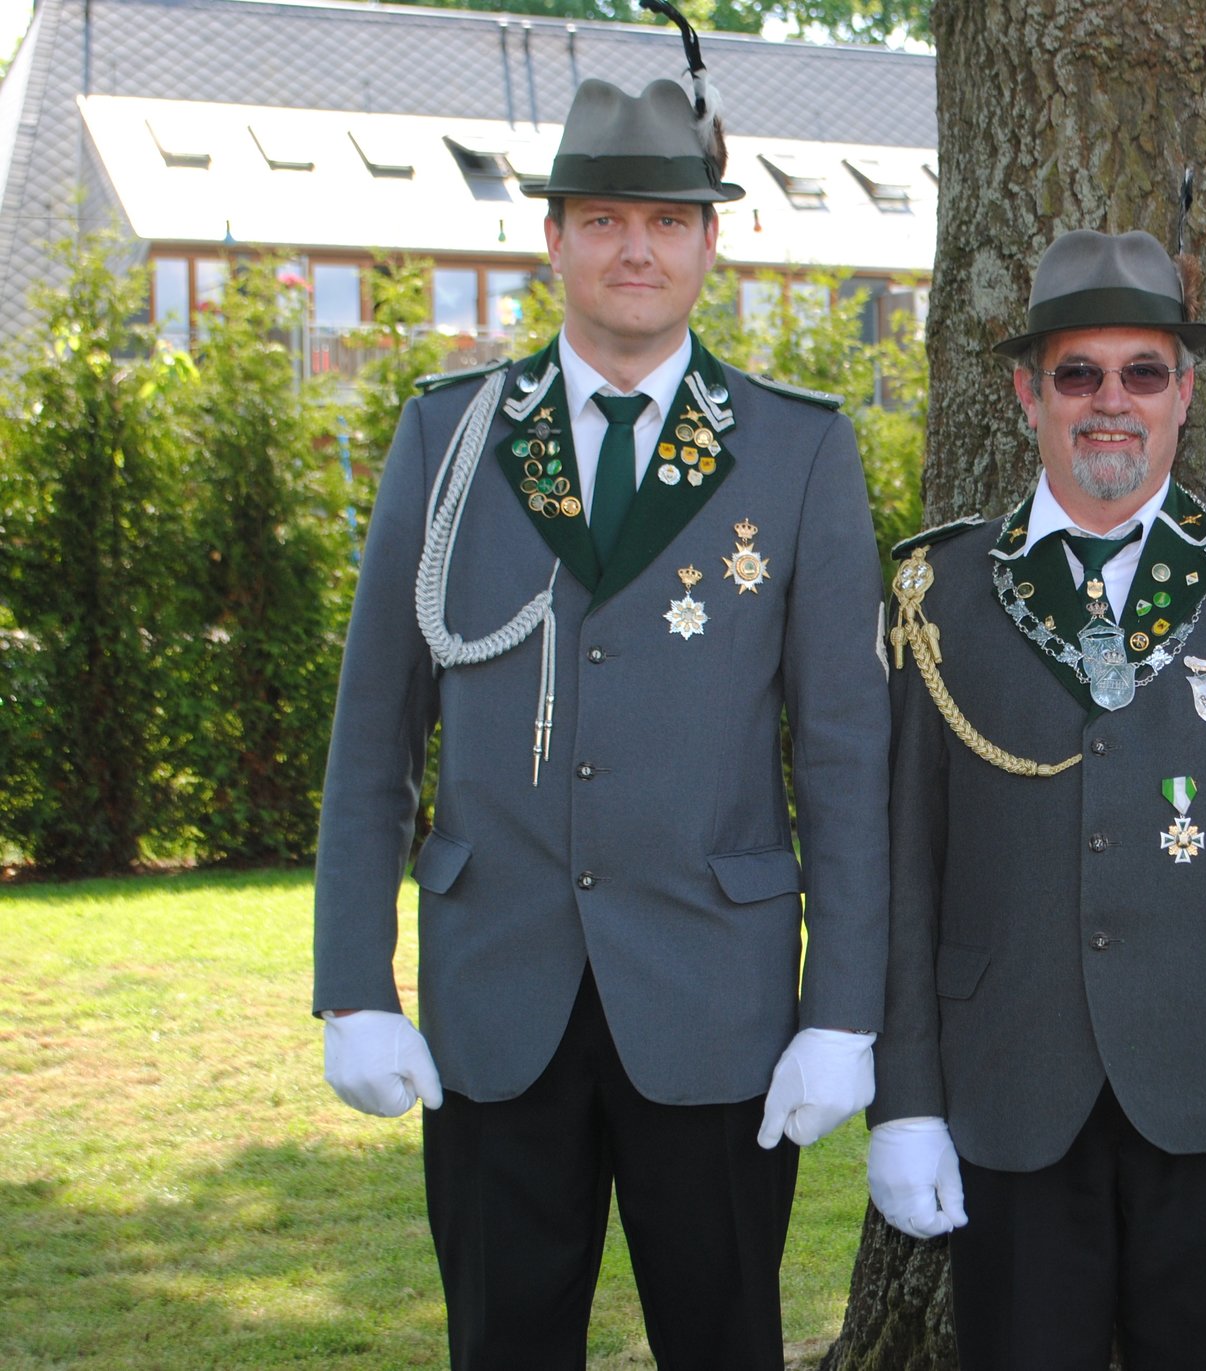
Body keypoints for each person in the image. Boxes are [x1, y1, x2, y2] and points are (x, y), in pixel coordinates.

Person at [310, 57, 889, 1370]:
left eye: (669, 220)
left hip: (716, 994)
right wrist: (353, 983)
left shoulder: (794, 448)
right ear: (554, 235)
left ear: (710, 242)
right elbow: (374, 733)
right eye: (608, 220)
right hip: (497, 992)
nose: (639, 249)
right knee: (505, 1343)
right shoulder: (453, 436)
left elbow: (847, 751)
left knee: (725, 1338)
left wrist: (843, 1006)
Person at [867, 227, 1206, 1371]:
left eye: (1142, 373)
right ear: (1024, 392)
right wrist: (900, 1098)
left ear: (1184, 393)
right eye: (1077, 374)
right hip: (1009, 1078)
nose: (1111, 403)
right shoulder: (936, 590)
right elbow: (901, 867)